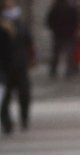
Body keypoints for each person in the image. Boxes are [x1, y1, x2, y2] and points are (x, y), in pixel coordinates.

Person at [0, 0, 34, 136]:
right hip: (3, 66)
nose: (10, 7)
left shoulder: (20, 22)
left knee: (24, 94)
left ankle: (24, 119)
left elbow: (28, 40)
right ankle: (7, 123)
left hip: (20, 64)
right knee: (4, 97)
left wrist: (31, 57)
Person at [45, 0, 80, 79]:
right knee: (68, 53)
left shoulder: (55, 8)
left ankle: (53, 70)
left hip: (58, 34)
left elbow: (49, 21)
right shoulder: (70, 8)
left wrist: (54, 29)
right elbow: (76, 21)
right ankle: (68, 71)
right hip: (68, 34)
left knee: (56, 53)